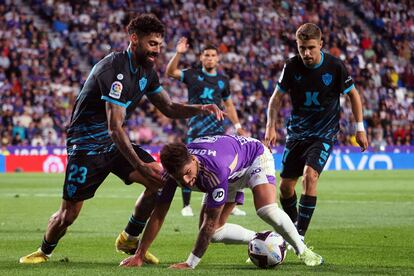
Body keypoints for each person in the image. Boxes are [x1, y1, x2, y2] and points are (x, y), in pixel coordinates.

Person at [19, 14, 224, 264]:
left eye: (160, 45)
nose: (157, 50)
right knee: (68, 214)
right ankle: (45, 250)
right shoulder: (113, 69)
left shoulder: (147, 72)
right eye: (152, 44)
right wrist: (139, 164)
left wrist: (201, 108)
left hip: (113, 145)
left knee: (158, 178)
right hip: (86, 146)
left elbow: (169, 108)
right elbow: (115, 127)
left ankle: (129, 237)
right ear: (134, 39)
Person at [120, 135, 324, 269]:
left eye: (187, 174)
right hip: (230, 171)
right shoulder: (172, 174)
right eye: (178, 178)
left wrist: (190, 264)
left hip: (254, 157)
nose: (185, 182)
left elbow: (208, 223)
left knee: (266, 210)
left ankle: (302, 249)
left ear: (193, 160)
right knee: (215, 234)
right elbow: (158, 214)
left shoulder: (212, 172)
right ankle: (261, 239)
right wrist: (140, 254)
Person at [264, 23, 368, 241]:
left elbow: (354, 95)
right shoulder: (291, 66)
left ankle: (299, 236)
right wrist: (270, 126)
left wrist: (360, 128)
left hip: (324, 133)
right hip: (297, 133)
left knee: (310, 177)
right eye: (302, 48)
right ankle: (294, 226)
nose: (306, 53)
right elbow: (275, 99)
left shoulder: (335, 67)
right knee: (285, 188)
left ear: (321, 44)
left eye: (311, 47)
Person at [166, 37, 247, 217]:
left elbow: (229, 105)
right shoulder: (192, 74)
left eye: (213, 55)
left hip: (217, 131)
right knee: (187, 164)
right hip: (196, 130)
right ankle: (186, 205)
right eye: (207, 55)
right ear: (201, 58)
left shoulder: (223, 81)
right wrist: (179, 53)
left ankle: (229, 202)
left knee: (226, 166)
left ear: (217, 59)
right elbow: (171, 72)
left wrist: (238, 125)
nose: (210, 58)